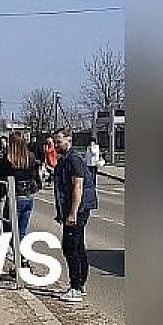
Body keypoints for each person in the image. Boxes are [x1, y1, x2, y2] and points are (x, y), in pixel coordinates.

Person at [51, 128, 98, 303]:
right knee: (78, 247)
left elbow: (77, 187)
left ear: (68, 140)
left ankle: (75, 287)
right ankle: (80, 283)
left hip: (78, 209)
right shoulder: (65, 160)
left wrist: (72, 213)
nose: (56, 145)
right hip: (74, 209)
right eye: (55, 142)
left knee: (70, 247)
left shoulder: (73, 160)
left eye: (59, 141)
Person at [0, 130, 42, 242]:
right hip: (28, 196)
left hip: (15, 196)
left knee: (8, 229)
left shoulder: (9, 159)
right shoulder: (30, 157)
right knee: (21, 230)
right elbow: (35, 174)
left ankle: (19, 256)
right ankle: (22, 256)